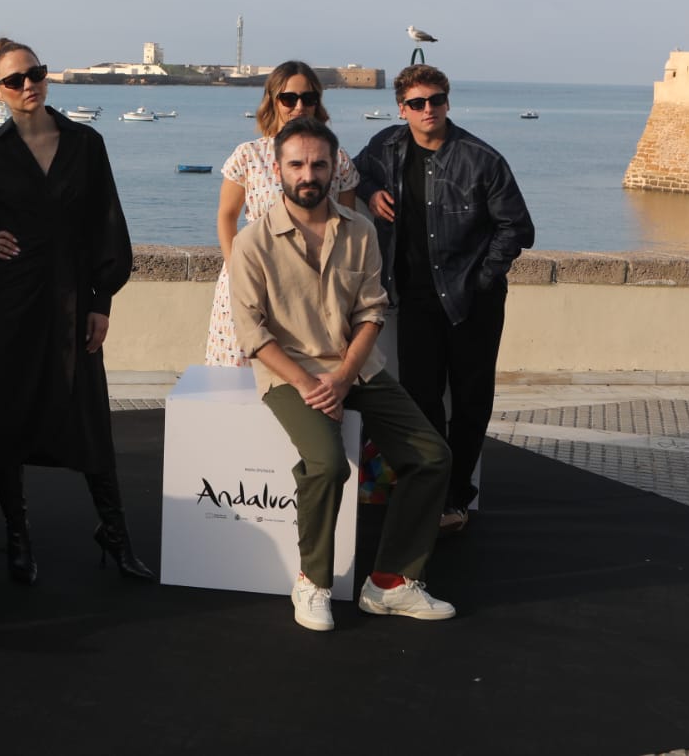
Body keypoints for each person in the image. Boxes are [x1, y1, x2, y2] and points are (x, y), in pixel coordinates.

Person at [229, 116, 455, 633]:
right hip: (290, 375)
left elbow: (371, 310)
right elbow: (252, 332)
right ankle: (312, 582)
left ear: (334, 169)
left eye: (318, 164)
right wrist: (313, 384)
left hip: (354, 367)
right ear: (277, 168)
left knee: (431, 456)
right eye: (297, 164)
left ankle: (391, 583)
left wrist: (345, 376)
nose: (308, 174)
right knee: (328, 464)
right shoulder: (253, 243)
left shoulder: (361, 230)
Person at [0, 37, 152, 586]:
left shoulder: (86, 143)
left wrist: (101, 303)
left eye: (34, 73)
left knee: (87, 411)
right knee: (5, 413)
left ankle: (115, 531)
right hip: (11, 301)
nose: (27, 85)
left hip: (71, 299)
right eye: (14, 80)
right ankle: (18, 535)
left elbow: (105, 225)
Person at [353, 64, 534, 534]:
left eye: (435, 100)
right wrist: (371, 193)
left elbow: (518, 227)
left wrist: (481, 279)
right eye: (417, 103)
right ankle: (427, 490)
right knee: (421, 398)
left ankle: (455, 497)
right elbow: (349, 173)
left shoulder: (480, 158)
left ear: (447, 102)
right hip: (415, 299)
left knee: (471, 401)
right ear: (402, 109)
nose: (427, 109)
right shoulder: (386, 147)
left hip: (472, 300)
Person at [206, 60, 359, 366]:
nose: (299, 106)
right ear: (273, 101)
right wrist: (237, 269)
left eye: (308, 98)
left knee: (304, 380)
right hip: (252, 279)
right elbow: (226, 216)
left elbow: (346, 225)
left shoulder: (337, 160)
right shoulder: (248, 155)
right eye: (289, 98)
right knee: (239, 380)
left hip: (309, 289)